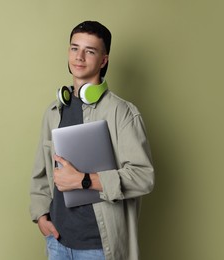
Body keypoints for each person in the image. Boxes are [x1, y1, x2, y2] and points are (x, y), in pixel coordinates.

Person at [30, 21, 155, 260]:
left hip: (98, 248)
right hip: (57, 242)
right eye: (74, 48)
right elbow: (40, 173)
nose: (79, 57)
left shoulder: (123, 113)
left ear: (104, 60)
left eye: (90, 51)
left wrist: (83, 180)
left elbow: (143, 176)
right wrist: (41, 215)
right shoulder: (54, 111)